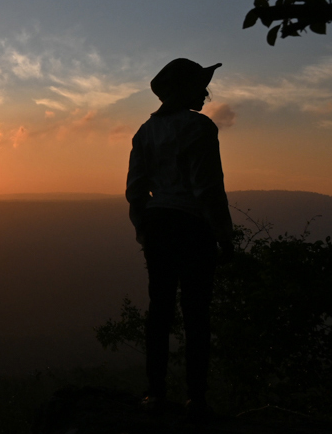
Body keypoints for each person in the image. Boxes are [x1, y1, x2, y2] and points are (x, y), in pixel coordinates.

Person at [125, 58, 234, 422]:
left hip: (158, 224)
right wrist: (224, 235)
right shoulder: (199, 127)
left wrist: (143, 228)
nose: (205, 93)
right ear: (186, 90)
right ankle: (196, 399)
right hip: (192, 226)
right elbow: (207, 187)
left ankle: (155, 393)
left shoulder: (144, 132)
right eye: (201, 86)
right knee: (196, 312)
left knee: (160, 310)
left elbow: (136, 190)